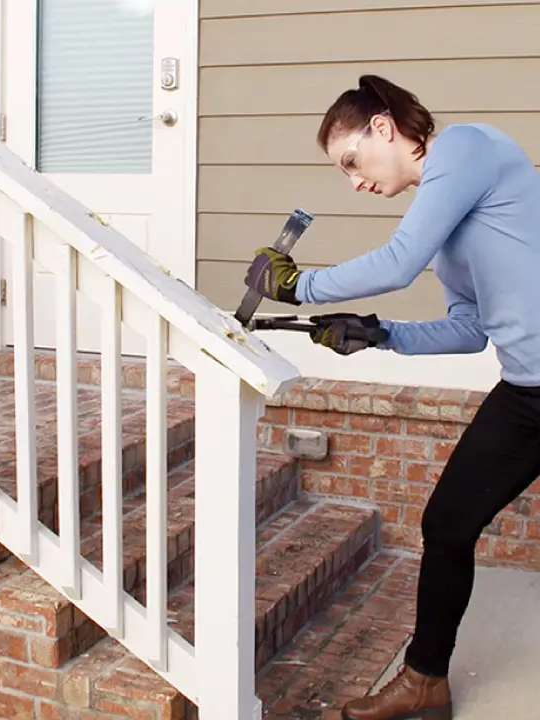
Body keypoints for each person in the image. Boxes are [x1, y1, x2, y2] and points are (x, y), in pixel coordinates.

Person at [243, 74, 540, 720]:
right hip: (528, 392)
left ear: (383, 127)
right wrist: (377, 334)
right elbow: (469, 331)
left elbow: (397, 261)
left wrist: (300, 287)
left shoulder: (464, 148)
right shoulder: (452, 232)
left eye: (351, 161)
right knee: (447, 523)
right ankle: (426, 682)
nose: (354, 181)